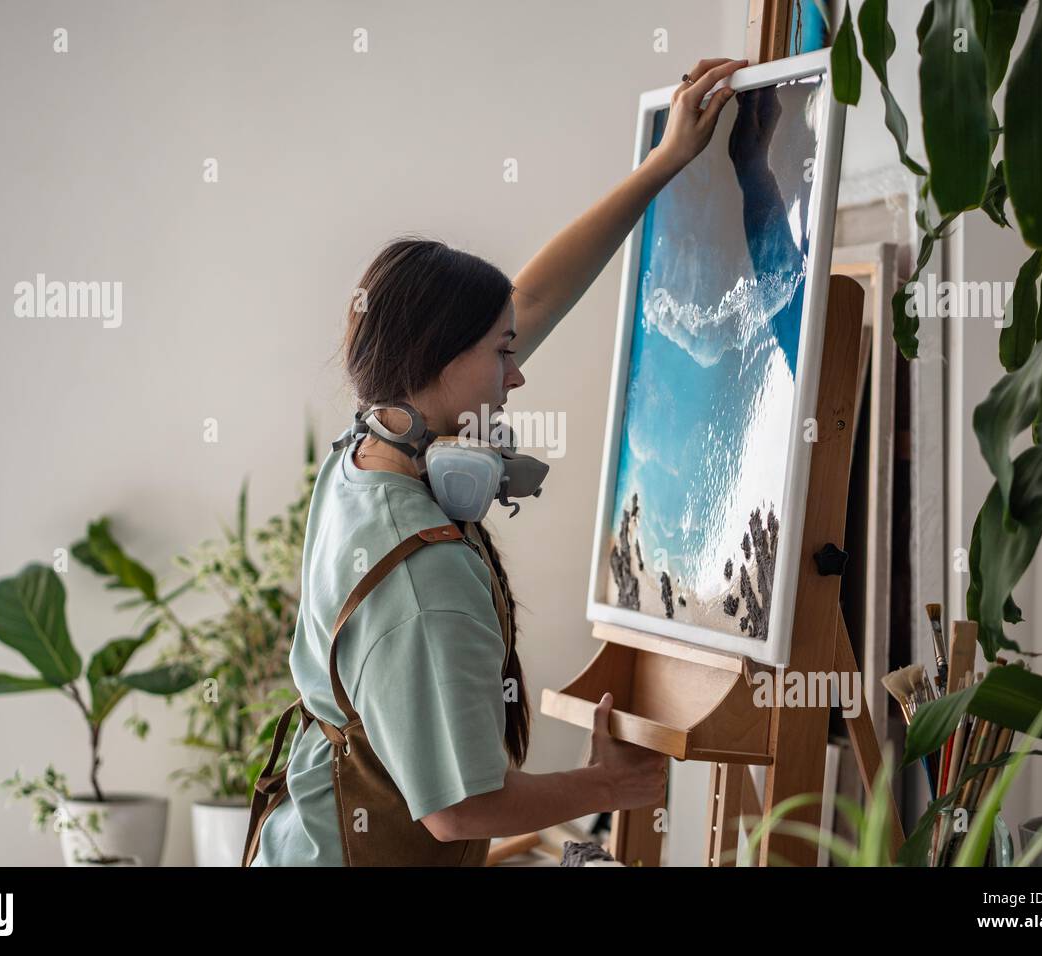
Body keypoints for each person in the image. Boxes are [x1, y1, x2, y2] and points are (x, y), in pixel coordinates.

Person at [251, 57, 749, 866]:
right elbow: (458, 810)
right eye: (502, 354)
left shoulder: (367, 451)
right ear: (440, 360)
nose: (517, 374)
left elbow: (537, 296)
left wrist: (663, 164)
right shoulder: (425, 579)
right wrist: (609, 789)